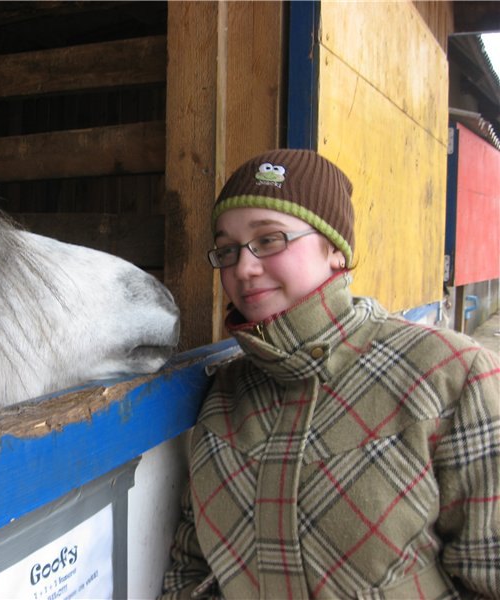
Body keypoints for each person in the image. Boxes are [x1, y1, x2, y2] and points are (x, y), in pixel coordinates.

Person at [159, 149, 500, 599]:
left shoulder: (447, 373)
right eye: (227, 250)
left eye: (269, 239)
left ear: (336, 249)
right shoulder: (224, 394)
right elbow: (191, 563)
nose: (243, 267)